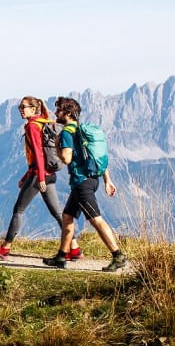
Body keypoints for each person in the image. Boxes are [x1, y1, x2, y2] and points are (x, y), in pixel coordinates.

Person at [0, 96, 81, 259]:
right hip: (49, 174)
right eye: (20, 107)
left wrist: (40, 178)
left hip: (40, 175)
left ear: (33, 109)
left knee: (18, 210)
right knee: (58, 213)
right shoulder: (43, 121)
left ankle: (5, 247)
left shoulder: (31, 126)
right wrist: (27, 176)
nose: (21, 110)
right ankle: (74, 248)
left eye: (24, 107)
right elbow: (45, 118)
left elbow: (38, 152)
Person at [42, 96, 128, 272]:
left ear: (67, 113)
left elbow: (66, 158)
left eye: (58, 109)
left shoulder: (66, 133)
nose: (56, 112)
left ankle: (118, 255)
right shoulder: (80, 130)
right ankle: (60, 257)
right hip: (90, 180)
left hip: (82, 183)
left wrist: (57, 145)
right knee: (67, 217)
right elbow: (95, 157)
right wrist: (107, 180)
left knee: (96, 220)